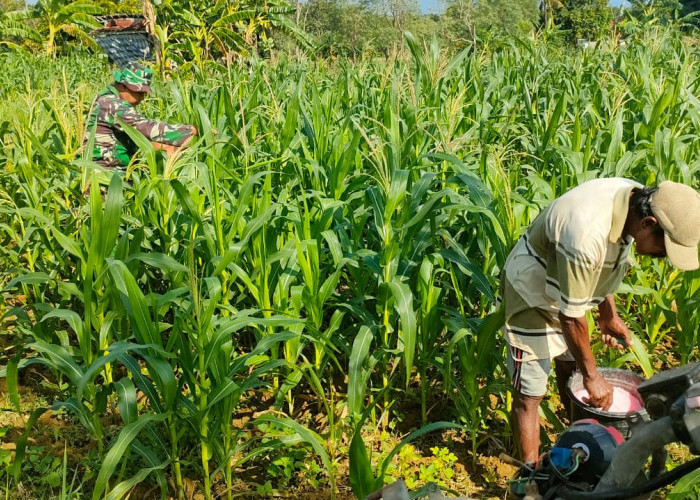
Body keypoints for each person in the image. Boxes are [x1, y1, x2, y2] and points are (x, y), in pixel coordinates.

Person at [502, 177, 700, 466]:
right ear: (649, 223)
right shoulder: (585, 232)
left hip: (568, 291)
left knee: (571, 366)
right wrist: (593, 378)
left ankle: (576, 437)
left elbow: (603, 262)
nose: (662, 257)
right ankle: (531, 477)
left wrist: (609, 315)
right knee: (530, 394)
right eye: (664, 249)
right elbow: (570, 317)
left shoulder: (635, 201)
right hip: (532, 291)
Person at [83, 62, 197, 169]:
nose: (142, 98)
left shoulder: (105, 98)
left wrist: (167, 148)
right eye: (138, 92)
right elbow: (145, 128)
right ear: (123, 86)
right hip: (103, 175)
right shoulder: (112, 104)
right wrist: (190, 131)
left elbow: (135, 139)